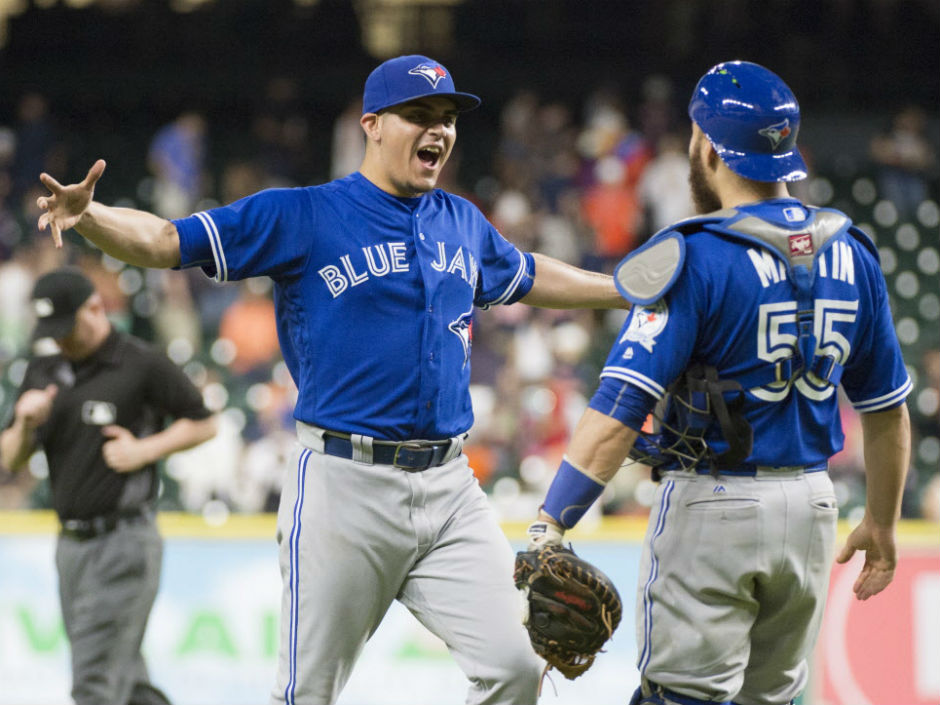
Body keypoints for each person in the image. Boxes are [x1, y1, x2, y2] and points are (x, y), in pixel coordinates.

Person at [35, 55, 626, 705]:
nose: (439, 130)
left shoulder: (461, 220)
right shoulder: (306, 215)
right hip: (346, 484)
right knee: (306, 693)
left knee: (515, 670)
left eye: (448, 118)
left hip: (451, 486)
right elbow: (165, 241)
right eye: (420, 115)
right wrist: (90, 217)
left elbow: (529, 274)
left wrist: (623, 290)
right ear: (372, 125)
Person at [523, 61, 912, 705]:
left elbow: (622, 405)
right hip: (813, 507)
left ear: (706, 147)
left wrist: (550, 521)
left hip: (715, 507)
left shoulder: (694, 253)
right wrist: (881, 521)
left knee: (680, 696)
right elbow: (886, 410)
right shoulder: (853, 250)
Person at [0, 267, 218, 705]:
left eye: (67, 327)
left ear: (96, 309)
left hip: (124, 540)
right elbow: (10, 457)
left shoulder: (140, 362)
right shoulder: (44, 369)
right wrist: (25, 423)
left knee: (94, 683)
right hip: (71, 546)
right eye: (52, 330)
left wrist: (145, 450)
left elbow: (205, 423)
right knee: (127, 680)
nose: (60, 339)